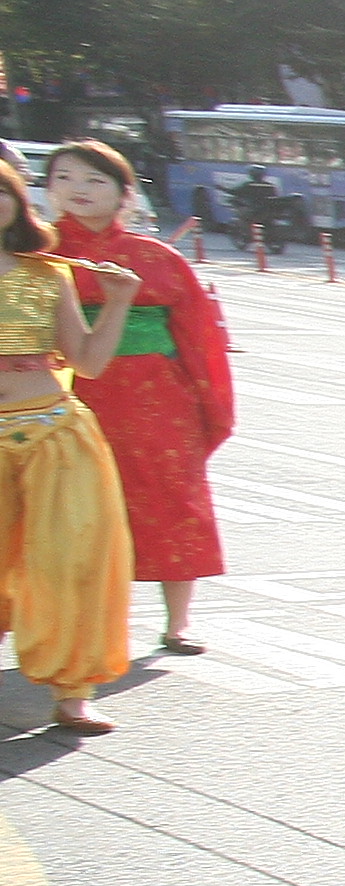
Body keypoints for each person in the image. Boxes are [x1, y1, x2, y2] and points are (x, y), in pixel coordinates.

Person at [39, 143, 230, 659]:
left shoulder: (156, 258)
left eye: (95, 180)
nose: (78, 188)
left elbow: (197, 336)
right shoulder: (38, 257)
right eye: (64, 177)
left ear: (125, 194)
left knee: (173, 499)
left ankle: (179, 620)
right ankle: (89, 621)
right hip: (68, 393)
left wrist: (206, 401)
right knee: (75, 509)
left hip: (157, 399)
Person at [0, 154, 138, 734]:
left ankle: (73, 689)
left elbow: (89, 362)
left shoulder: (46, 273)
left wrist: (117, 301)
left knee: (72, 560)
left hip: (56, 432)